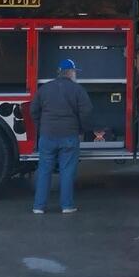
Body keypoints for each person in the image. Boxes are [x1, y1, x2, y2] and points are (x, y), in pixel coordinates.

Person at [29, 58, 92, 214]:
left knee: (44, 171)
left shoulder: (44, 89)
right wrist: (82, 129)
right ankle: (67, 206)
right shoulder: (77, 90)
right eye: (74, 72)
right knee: (67, 171)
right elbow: (87, 111)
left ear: (59, 72)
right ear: (71, 72)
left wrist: (41, 126)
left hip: (47, 136)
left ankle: (38, 206)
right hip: (69, 136)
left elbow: (33, 111)